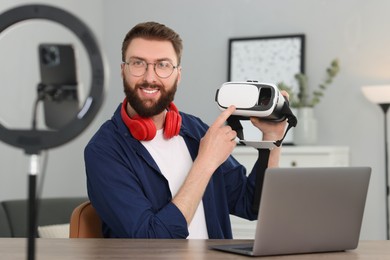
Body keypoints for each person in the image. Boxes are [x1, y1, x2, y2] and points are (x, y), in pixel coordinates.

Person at [84, 21, 288, 239]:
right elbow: (152, 240)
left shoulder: (196, 130)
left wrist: (273, 138)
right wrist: (205, 163)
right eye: (138, 63)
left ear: (178, 75)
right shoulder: (103, 151)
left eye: (162, 65)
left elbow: (251, 205)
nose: (150, 77)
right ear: (123, 70)